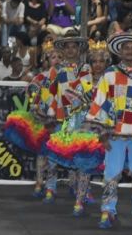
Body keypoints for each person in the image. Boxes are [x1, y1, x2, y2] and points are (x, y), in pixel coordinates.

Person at [33, 36, 93, 210]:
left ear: (79, 50)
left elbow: (85, 90)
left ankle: (79, 190)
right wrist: (45, 112)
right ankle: (50, 187)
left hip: (79, 118)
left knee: (78, 156)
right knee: (53, 155)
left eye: (74, 47)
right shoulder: (56, 69)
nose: (71, 50)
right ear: (63, 50)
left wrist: (66, 98)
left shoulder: (85, 68)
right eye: (67, 47)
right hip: (59, 118)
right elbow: (49, 92)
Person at [85, 32, 132, 228]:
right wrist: (101, 134)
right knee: (111, 175)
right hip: (114, 135)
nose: (130, 50)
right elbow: (99, 105)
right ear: (120, 51)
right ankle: (107, 211)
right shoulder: (109, 74)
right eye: (126, 47)